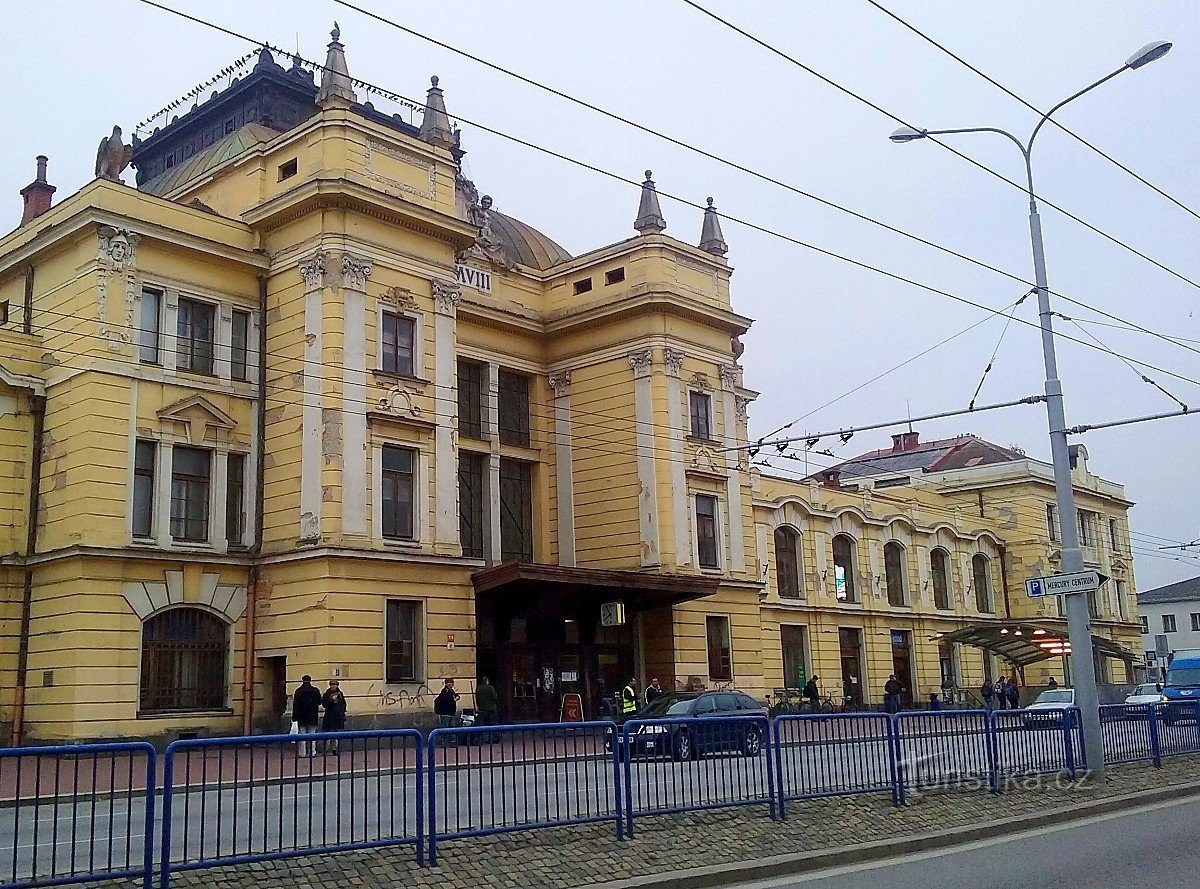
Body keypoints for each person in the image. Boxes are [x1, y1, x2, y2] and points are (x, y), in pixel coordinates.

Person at [292, 675, 322, 757]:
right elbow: (319, 701)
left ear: (302, 681)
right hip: (312, 716)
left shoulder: (298, 691)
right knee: (312, 735)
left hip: (301, 717)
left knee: (302, 736)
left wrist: (294, 717)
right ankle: (312, 752)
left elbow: (295, 705)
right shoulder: (315, 691)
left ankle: (302, 753)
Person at [320, 679, 347, 754]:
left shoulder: (340, 694)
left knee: (336, 734)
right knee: (327, 734)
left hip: (338, 717)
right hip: (329, 716)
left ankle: (335, 749)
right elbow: (324, 704)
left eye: (334, 685)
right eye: (332, 685)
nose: (333, 686)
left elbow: (343, 704)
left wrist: (343, 713)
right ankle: (325, 749)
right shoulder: (326, 694)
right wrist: (331, 700)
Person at [475, 675, 500, 743]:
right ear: (486, 681)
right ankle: (492, 739)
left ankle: (480, 739)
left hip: (482, 708)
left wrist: (479, 705)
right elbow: (495, 697)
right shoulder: (490, 687)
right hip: (491, 708)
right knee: (493, 724)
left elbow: (477, 698)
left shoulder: (478, 688)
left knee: (482, 724)